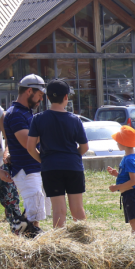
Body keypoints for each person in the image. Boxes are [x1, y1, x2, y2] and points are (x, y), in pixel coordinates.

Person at [26, 79, 88, 228]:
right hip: (73, 166)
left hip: (50, 167)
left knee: (58, 210)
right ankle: (84, 242)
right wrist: (74, 156)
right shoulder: (75, 120)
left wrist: (43, 160)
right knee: (77, 208)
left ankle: (60, 244)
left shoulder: (38, 119)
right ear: (66, 97)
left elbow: (30, 147)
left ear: (47, 98)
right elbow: (84, 147)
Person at [3, 74, 51, 228]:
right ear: (29, 91)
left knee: (35, 213)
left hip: (32, 168)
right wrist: (46, 130)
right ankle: (25, 240)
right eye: (40, 95)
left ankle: (23, 232)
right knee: (34, 214)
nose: (41, 100)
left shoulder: (25, 112)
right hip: (26, 170)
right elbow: (26, 142)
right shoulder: (16, 113)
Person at [106, 125, 135, 236]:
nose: (117, 143)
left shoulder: (129, 160)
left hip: (131, 195)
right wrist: (117, 175)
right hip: (132, 195)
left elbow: (133, 181)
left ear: (124, 143)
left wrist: (116, 187)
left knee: (134, 222)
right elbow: (128, 177)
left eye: (118, 141)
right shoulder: (129, 157)